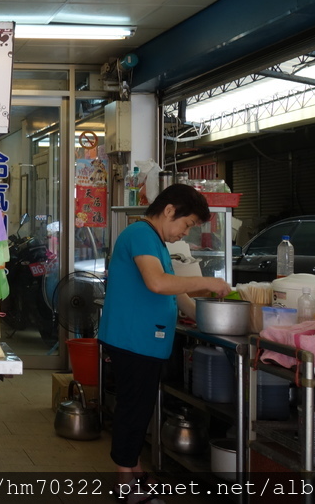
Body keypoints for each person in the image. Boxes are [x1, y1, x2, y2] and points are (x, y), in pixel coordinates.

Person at [97, 183, 231, 503]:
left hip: (143, 340)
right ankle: (125, 485)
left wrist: (209, 316)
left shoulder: (154, 241)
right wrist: (206, 281)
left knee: (138, 408)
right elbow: (158, 283)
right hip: (133, 339)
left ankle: (133, 473)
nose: (185, 233)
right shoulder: (141, 234)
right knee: (134, 410)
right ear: (169, 210)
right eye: (186, 225)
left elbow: (177, 294)